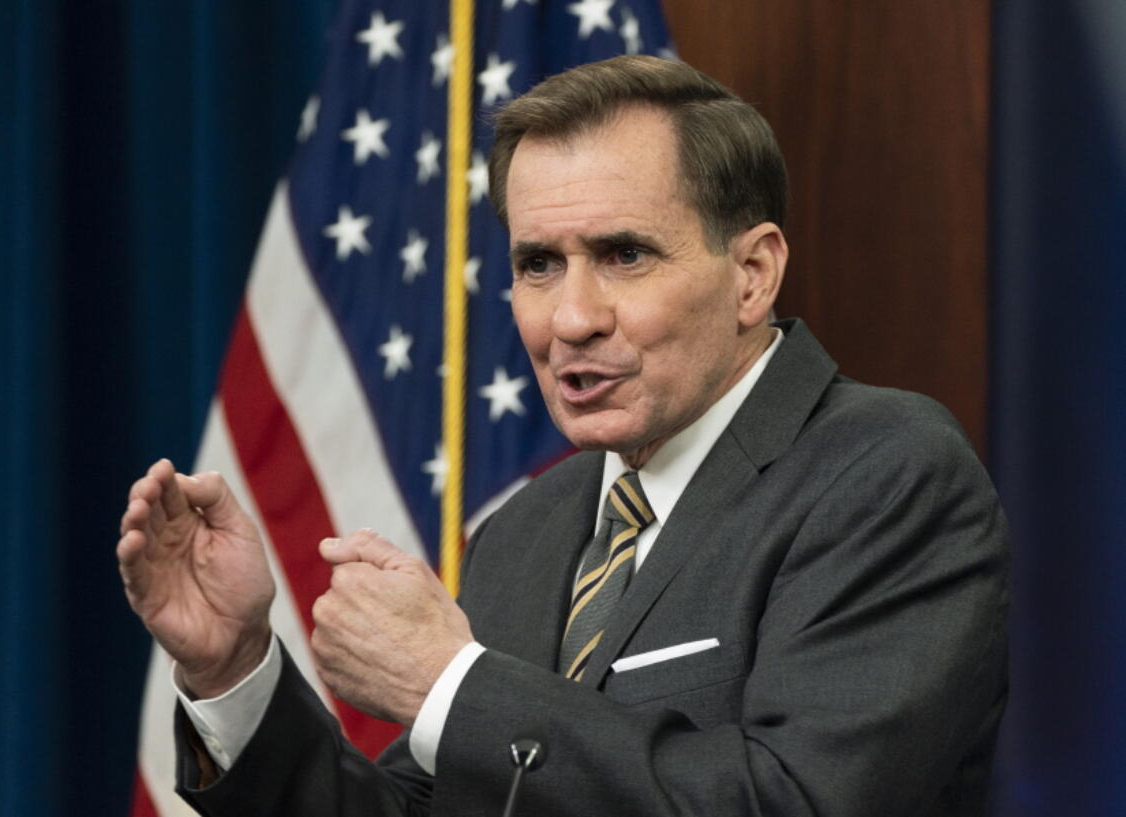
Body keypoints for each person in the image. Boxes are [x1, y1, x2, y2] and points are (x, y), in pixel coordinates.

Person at [118, 55, 1008, 816]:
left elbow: (798, 799)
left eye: (624, 255)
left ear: (752, 274)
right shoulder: (530, 529)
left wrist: (451, 682)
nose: (571, 318)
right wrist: (236, 671)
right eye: (539, 264)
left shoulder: (885, 474)